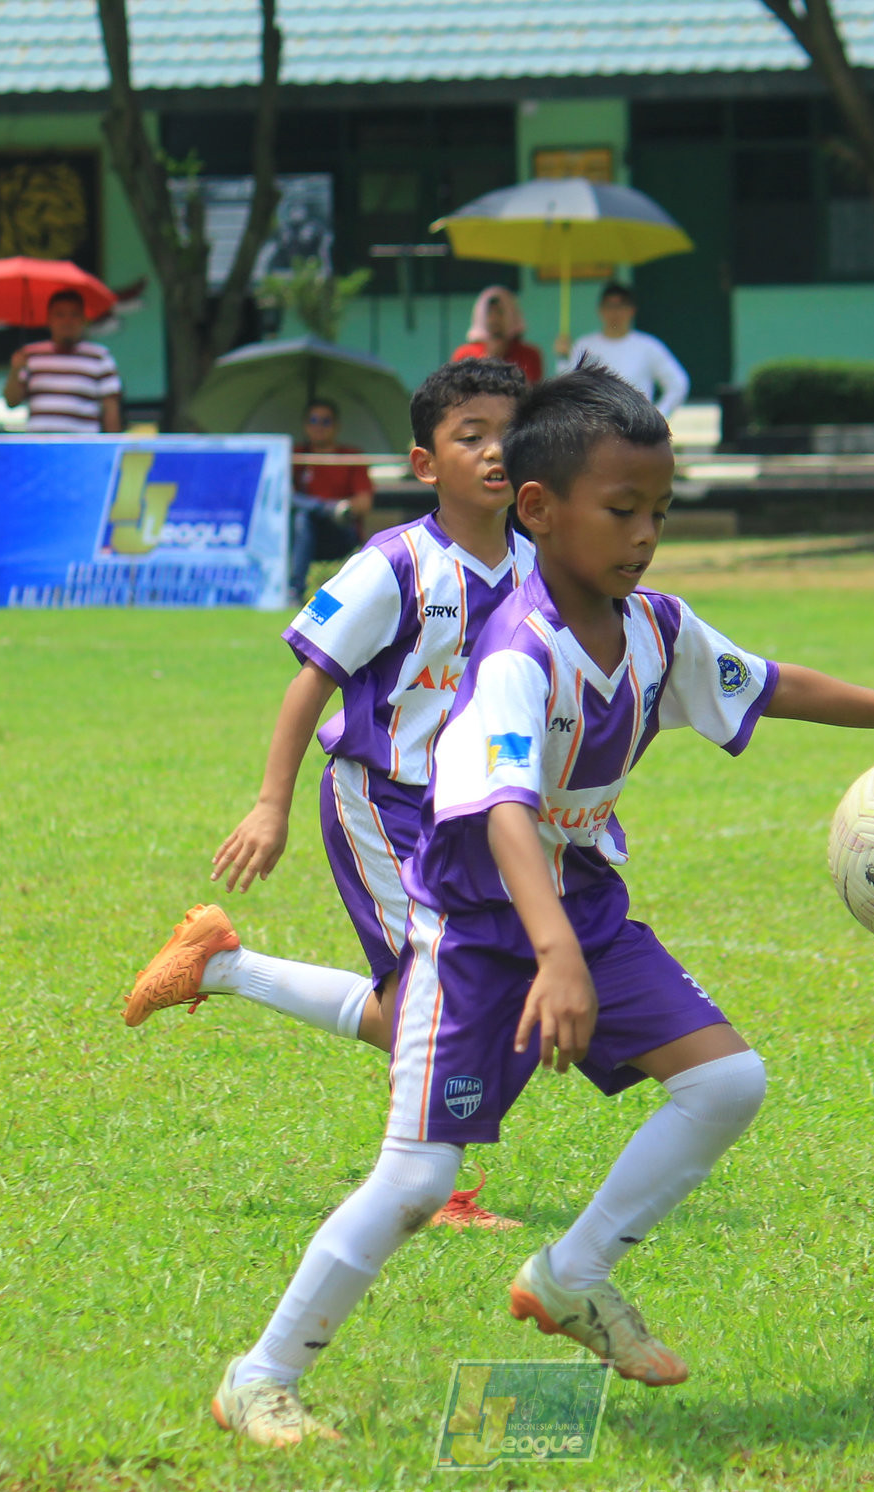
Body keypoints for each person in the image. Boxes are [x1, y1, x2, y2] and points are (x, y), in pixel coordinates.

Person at [204, 367, 874, 1447]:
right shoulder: (511, 653)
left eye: (658, 510)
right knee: (420, 1176)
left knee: (726, 1078)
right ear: (540, 509)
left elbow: (770, 680)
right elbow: (502, 809)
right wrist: (549, 951)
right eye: (621, 511)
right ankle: (261, 1374)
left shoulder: (653, 625)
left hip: (586, 908)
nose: (646, 534)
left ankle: (571, 1273)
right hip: (474, 932)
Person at [124, 357, 532, 1230]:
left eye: (510, 433)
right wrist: (270, 804)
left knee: (445, 1002)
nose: (497, 451)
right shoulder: (394, 565)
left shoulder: (541, 567)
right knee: (443, 994)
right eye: (472, 437)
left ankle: (222, 964)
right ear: (425, 464)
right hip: (383, 805)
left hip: (478, 817)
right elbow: (309, 681)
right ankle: (436, 1190)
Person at [285, 398, 375, 602]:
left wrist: (341, 510)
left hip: (340, 532)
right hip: (304, 535)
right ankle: (295, 593)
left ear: (336, 426)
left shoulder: (351, 456)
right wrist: (326, 507)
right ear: (305, 424)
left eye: (326, 421)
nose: (319, 426)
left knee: (304, 516)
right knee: (302, 519)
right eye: (313, 420)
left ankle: (295, 591)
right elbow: (283, 497)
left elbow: (364, 503)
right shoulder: (295, 455)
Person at [562, 282, 690, 418]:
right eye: (609, 306)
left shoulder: (648, 346)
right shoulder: (584, 345)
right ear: (600, 310)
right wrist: (562, 356)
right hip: (595, 425)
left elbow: (677, 383)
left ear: (632, 310)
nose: (615, 313)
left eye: (621, 306)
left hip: (635, 426)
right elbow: (568, 386)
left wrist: (659, 416)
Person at [2, 289, 121, 433]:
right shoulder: (30, 355)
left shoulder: (100, 357)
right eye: (60, 315)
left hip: (82, 449)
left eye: (74, 315)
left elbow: (111, 409)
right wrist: (15, 370)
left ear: (84, 319)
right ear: (49, 319)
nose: (67, 321)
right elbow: (12, 402)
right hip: (39, 447)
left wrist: (113, 446)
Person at [449, 285, 544, 383]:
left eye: (500, 312)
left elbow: (532, 390)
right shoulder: (464, 355)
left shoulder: (530, 355)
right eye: (490, 313)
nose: (494, 319)